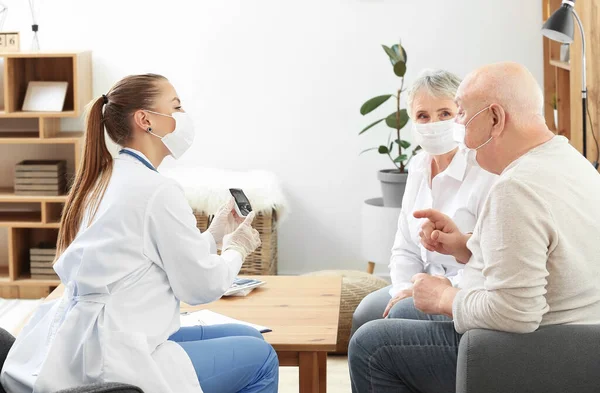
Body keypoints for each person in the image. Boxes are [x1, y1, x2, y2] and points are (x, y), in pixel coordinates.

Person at [1, 74, 278, 393]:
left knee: (249, 338)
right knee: (262, 357)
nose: (183, 116)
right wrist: (236, 250)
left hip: (88, 339)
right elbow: (201, 286)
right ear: (146, 119)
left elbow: (151, 262)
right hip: (114, 356)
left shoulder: (103, 180)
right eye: (176, 106)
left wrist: (213, 236)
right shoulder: (157, 191)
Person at [348, 62, 600, 393]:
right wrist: (464, 246)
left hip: (531, 347)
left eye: (462, 114)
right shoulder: (571, 161)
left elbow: (515, 314)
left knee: (371, 346)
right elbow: (531, 258)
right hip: (574, 336)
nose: (458, 126)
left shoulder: (516, 188)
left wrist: (443, 296)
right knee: (383, 314)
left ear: (495, 119)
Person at [352, 69, 497, 334]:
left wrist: (437, 290)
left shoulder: (484, 171)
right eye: (423, 116)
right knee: (365, 313)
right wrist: (406, 289)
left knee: (393, 318)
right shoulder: (418, 166)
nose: (434, 123)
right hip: (420, 284)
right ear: (412, 121)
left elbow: (489, 262)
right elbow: (404, 248)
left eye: (444, 114)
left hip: (463, 290)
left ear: (461, 115)